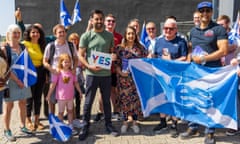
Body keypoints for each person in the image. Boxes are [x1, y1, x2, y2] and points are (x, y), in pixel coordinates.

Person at [180, 2, 228, 144]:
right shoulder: (193, 32)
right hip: (196, 71)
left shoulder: (218, 29)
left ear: (211, 12)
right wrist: (190, 60)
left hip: (212, 72)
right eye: (202, 11)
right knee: (194, 100)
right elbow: (190, 49)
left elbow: (223, 50)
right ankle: (193, 127)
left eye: (207, 10)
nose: (205, 13)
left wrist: (204, 58)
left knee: (210, 102)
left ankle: (210, 132)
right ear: (198, 13)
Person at [78, 9, 119, 141]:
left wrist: (113, 57)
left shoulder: (109, 36)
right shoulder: (86, 36)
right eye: (96, 19)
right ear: (92, 20)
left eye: (101, 19)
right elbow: (80, 55)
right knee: (88, 102)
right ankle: (85, 126)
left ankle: (109, 125)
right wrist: (88, 66)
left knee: (106, 101)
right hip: (91, 74)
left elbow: (112, 52)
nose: (99, 21)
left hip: (106, 74)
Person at [151, 18, 188, 138]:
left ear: (176, 29)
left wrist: (172, 61)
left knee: (173, 100)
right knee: (162, 98)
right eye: (166, 28)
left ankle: (174, 124)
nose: (168, 30)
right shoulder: (159, 41)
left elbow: (184, 57)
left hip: (175, 77)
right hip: (161, 76)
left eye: (171, 28)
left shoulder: (181, 42)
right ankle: (163, 122)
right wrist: (151, 57)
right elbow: (155, 56)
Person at [2, 24, 33, 142]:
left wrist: (26, 79)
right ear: (9, 34)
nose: (16, 35)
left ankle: (22, 125)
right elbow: (6, 68)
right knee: (9, 106)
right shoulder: (4, 49)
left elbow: (27, 64)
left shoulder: (23, 47)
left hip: (23, 81)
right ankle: (7, 130)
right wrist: (18, 81)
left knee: (23, 103)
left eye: (18, 32)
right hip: (10, 82)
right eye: (14, 32)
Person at [115, 26, 147, 134]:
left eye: (132, 34)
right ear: (125, 35)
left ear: (135, 35)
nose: (130, 36)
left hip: (136, 80)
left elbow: (145, 63)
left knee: (135, 101)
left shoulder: (140, 49)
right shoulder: (120, 49)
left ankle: (134, 123)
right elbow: (117, 64)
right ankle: (125, 122)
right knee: (124, 101)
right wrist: (121, 73)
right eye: (128, 34)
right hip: (123, 80)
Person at [43, 24, 79, 115]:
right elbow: (45, 61)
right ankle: (53, 120)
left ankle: (72, 120)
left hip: (68, 74)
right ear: (55, 34)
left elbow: (76, 58)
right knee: (52, 99)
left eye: (63, 32)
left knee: (69, 97)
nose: (62, 34)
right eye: (59, 32)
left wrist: (74, 68)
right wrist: (52, 70)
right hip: (55, 75)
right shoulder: (50, 46)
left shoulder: (71, 45)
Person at [94, 13, 123, 122]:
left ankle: (116, 112)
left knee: (114, 92)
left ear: (115, 24)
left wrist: (117, 58)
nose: (110, 23)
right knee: (102, 92)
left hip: (114, 70)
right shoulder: (100, 35)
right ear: (105, 23)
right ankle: (101, 112)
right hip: (102, 70)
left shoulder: (119, 37)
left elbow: (122, 52)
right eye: (108, 21)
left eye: (112, 21)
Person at [46, 53, 82, 135]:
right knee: (61, 113)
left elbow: (76, 83)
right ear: (61, 62)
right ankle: (61, 127)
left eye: (68, 62)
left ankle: (70, 126)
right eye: (65, 62)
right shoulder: (58, 73)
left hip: (70, 97)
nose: (67, 64)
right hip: (61, 97)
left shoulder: (72, 72)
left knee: (70, 111)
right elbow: (53, 84)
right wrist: (48, 95)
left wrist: (79, 91)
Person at [22, 25, 46, 131]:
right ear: (29, 34)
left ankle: (37, 120)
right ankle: (28, 120)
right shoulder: (24, 44)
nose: (35, 34)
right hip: (29, 73)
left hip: (40, 72)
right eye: (33, 32)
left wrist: (46, 75)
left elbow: (44, 61)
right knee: (29, 98)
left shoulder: (42, 45)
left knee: (38, 97)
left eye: (37, 32)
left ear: (40, 34)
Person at [68, 33, 85, 120]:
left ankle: (77, 113)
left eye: (75, 39)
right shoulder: (68, 50)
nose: (74, 41)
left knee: (78, 95)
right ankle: (70, 112)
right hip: (69, 75)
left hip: (79, 76)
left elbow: (84, 63)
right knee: (70, 95)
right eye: (72, 39)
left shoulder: (81, 51)